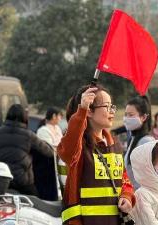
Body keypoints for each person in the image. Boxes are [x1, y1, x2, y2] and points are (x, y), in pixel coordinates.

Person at [57, 85, 135, 225]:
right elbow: (67, 150)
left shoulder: (115, 144)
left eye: (113, 106)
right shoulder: (78, 144)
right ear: (90, 111)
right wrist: (82, 110)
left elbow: (124, 180)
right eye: (107, 106)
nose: (112, 111)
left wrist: (127, 196)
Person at [0, 104, 54, 196]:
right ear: (25, 117)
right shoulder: (29, 135)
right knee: (37, 203)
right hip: (22, 181)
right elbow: (49, 153)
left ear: (7, 116)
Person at [123, 96, 154, 189]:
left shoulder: (146, 142)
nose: (126, 118)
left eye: (131, 115)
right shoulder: (133, 139)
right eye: (126, 114)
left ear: (143, 117)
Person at [34, 107, 63, 200]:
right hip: (48, 165)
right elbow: (49, 148)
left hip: (60, 161)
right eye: (59, 116)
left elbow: (61, 144)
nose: (60, 119)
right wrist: (59, 147)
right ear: (54, 116)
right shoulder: (43, 130)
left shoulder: (58, 128)